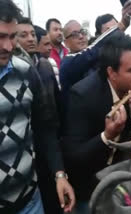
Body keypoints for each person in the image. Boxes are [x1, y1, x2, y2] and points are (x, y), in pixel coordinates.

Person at [0, 0, 75, 213]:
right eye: (0, 37)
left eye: (12, 36)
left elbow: (45, 128)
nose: (8, 46)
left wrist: (59, 174)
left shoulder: (26, 72)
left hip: (31, 203)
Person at [61, 32, 131, 213]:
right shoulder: (82, 95)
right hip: (89, 190)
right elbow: (73, 157)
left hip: (118, 182)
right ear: (111, 73)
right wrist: (107, 136)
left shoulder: (127, 88)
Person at [15, 17, 68, 214]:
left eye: (31, 34)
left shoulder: (44, 66)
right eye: (23, 35)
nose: (30, 39)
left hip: (47, 143)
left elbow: (56, 103)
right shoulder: (15, 72)